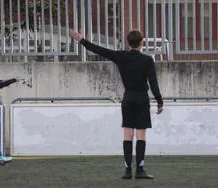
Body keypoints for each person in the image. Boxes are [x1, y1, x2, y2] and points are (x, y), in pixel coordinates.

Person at [70, 30, 163, 179]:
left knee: (127, 134)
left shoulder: (121, 56)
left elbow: (99, 50)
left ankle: (127, 170)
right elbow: (153, 83)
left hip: (127, 99)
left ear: (128, 42)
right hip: (142, 99)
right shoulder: (147, 60)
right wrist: (159, 102)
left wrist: (82, 40)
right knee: (141, 135)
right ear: (141, 43)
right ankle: (139, 170)